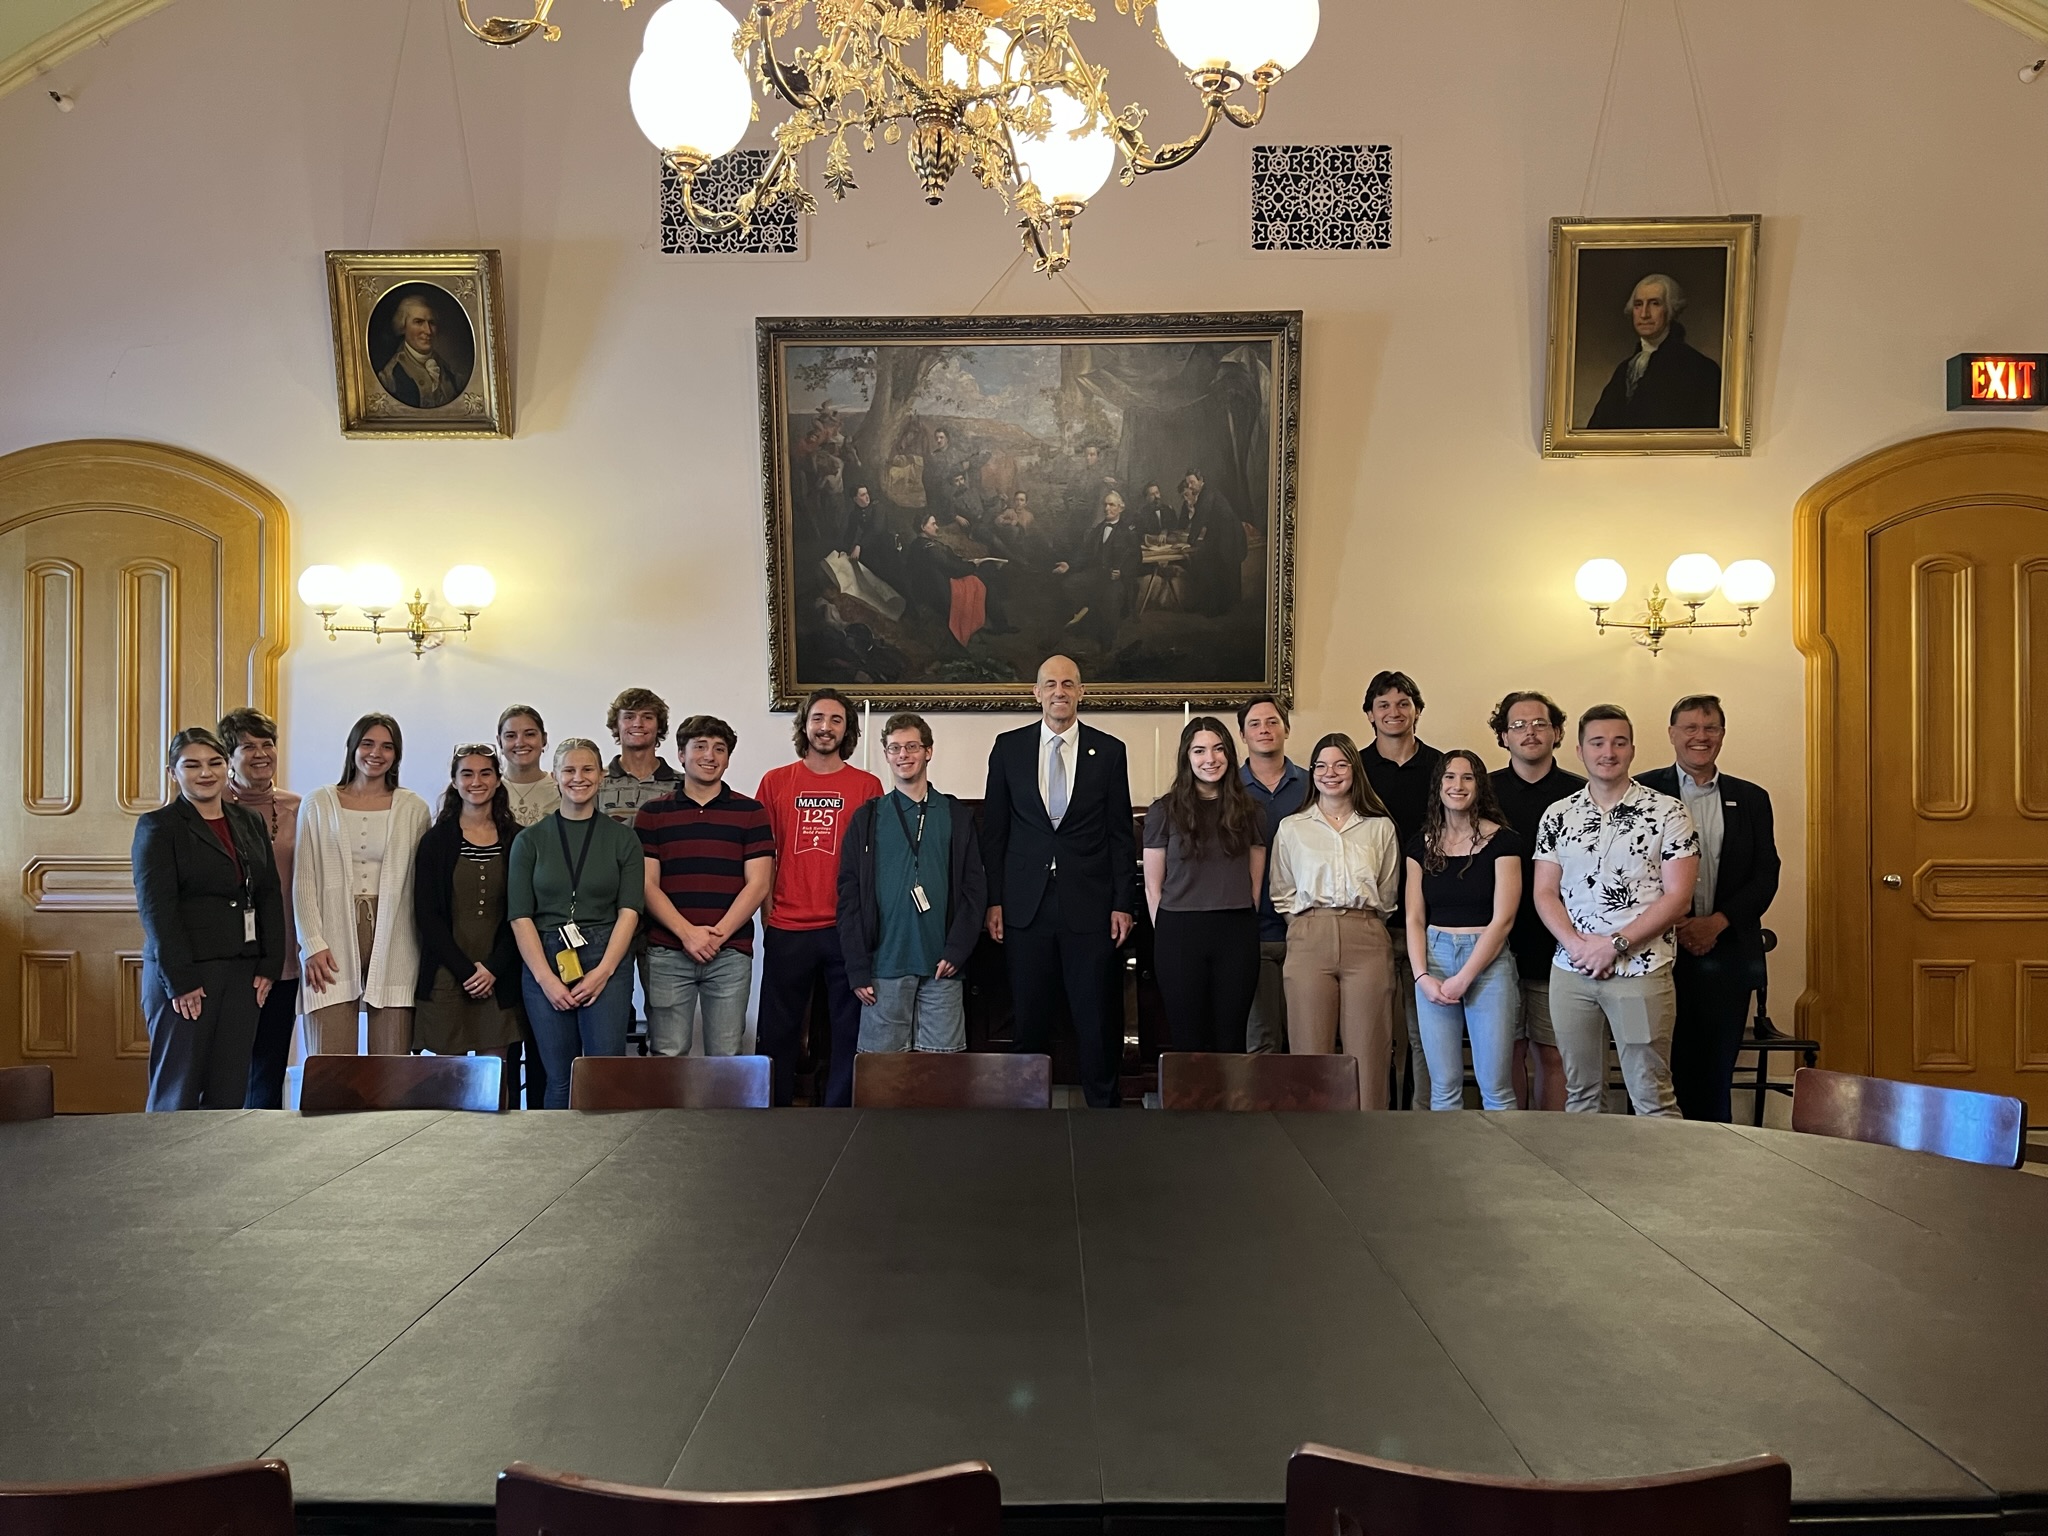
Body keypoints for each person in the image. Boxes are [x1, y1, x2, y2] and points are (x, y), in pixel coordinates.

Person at [982, 654, 1137, 1107]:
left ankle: (1102, 1115)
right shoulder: (1008, 747)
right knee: (1028, 1017)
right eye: (1050, 684)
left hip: (1089, 906)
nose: (1059, 692)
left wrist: (1122, 902)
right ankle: (1026, 1116)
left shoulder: (1108, 751)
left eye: (1068, 684)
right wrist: (994, 901)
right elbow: (995, 833)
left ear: (1081, 693)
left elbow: (1119, 836)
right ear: (1036, 693)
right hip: (1025, 907)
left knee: (1095, 1019)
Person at [1533, 705, 1700, 1117]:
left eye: (1619, 742)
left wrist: (1615, 944)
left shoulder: (1669, 812)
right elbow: (1544, 893)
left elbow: (1678, 896)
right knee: (1580, 1094)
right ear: (1579, 750)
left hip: (1639, 974)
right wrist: (1576, 945)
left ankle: (1658, 1183)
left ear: (1632, 749)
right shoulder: (1558, 815)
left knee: (1651, 1094)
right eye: (1598, 742)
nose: (1608, 752)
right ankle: (1586, 1181)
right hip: (1572, 975)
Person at [1636, 695, 1781, 1122]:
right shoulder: (1643, 792)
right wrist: (1677, 922)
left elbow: (1765, 874)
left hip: (1728, 951)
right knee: (1657, 1067)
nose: (1701, 737)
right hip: (1659, 951)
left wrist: (1715, 924)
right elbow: (1628, 870)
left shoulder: (1751, 798)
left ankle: (1717, 1160)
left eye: (1711, 728)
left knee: (1716, 1070)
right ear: (1672, 734)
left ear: (1722, 734)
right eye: (1690, 728)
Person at [133, 728, 285, 1111]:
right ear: (173, 773)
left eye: (215, 762)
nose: (205, 773)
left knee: (230, 1088)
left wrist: (269, 964)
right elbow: (157, 910)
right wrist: (181, 981)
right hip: (186, 978)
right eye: (192, 765)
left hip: (242, 973)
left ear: (227, 766)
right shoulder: (158, 827)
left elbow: (267, 892)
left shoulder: (248, 822)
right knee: (177, 1089)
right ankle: (166, 1169)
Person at [754, 689, 883, 1106]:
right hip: (788, 925)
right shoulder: (775, 782)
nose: (826, 727)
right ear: (805, 724)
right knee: (778, 1030)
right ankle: (774, 1111)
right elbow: (761, 855)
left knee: (849, 1030)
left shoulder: (867, 785)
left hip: (843, 928)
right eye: (818, 718)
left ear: (848, 730)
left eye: (836, 720)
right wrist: (767, 910)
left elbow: (874, 862)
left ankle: (838, 1113)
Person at [838, 713, 987, 1055]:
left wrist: (957, 951)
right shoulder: (868, 818)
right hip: (883, 967)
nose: (903, 754)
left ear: (928, 752)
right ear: (886, 755)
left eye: (912, 746)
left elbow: (974, 890)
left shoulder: (955, 814)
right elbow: (848, 897)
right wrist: (857, 967)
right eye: (894, 748)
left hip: (942, 967)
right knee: (883, 1077)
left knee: (942, 1072)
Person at [509, 739, 644, 1108]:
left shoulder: (623, 838)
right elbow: (520, 917)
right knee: (559, 1078)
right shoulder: (529, 840)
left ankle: (607, 1163)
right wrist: (546, 980)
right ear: (555, 777)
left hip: (607, 955)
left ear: (601, 776)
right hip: (545, 958)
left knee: (603, 1073)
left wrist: (603, 972)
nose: (578, 778)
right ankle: (561, 1163)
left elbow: (629, 911)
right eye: (569, 770)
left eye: (587, 770)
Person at [1268, 734, 1401, 1107]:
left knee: (1369, 1052)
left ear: (1354, 771)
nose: (1331, 773)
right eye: (1321, 766)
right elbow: (1282, 890)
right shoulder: (1293, 827)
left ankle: (1370, 1142)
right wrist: (1305, 924)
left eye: (1341, 764)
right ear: (1312, 773)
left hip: (1367, 936)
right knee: (1310, 1053)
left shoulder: (1379, 827)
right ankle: (1312, 1145)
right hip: (1310, 935)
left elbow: (1388, 893)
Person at [636, 716, 775, 1065]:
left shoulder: (751, 812)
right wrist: (687, 935)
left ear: (728, 758)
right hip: (667, 951)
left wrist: (716, 935)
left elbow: (758, 883)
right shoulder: (653, 814)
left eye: (719, 749)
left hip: (730, 954)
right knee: (667, 1054)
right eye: (699, 747)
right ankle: (666, 1123)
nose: (709, 755)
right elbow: (646, 884)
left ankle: (725, 1124)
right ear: (681, 755)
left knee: (727, 1057)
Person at [295, 713, 430, 1057]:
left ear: (397, 755)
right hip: (332, 937)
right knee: (330, 1063)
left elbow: (421, 884)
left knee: (392, 1065)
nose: (376, 753)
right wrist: (311, 943)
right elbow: (304, 879)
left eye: (387, 746)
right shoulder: (318, 803)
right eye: (367, 743)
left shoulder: (414, 809)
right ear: (352, 747)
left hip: (396, 940)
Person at [1404, 750, 1522, 1111]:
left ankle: (1503, 1168)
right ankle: (1446, 1168)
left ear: (1480, 785)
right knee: (1443, 1087)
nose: (1458, 785)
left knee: (1496, 1087)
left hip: (1487, 963)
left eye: (1467, 777)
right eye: (1450, 777)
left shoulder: (1505, 842)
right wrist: (1422, 977)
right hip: (1434, 958)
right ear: (1438, 786)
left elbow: (1503, 919)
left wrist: (1465, 976)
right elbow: (1413, 918)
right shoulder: (1419, 844)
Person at [1143, 718, 1266, 1053]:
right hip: (1179, 932)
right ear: (1187, 757)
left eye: (1218, 748)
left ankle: (1229, 1107)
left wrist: (1239, 917)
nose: (1210, 758)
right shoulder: (1163, 811)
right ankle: (1188, 1108)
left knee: (1231, 1040)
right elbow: (1153, 887)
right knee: (1187, 1042)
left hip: (1235, 931)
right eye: (1199, 750)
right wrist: (1168, 929)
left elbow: (1255, 881)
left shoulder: (1251, 811)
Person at [1488, 690, 1583, 1111]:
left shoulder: (1581, 795)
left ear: (1558, 732)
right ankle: (1512, 1148)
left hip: (1560, 947)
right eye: (1518, 725)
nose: (1529, 732)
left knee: (1553, 1053)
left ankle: (1552, 1149)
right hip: (1495, 945)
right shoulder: (1482, 792)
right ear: (1503, 736)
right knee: (1505, 1052)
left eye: (1539, 724)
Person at [412, 745, 528, 1088]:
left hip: (500, 975)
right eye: (467, 773)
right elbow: (426, 914)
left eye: (485, 773)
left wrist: (492, 968)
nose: (476, 781)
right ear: (454, 782)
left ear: (497, 780)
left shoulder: (518, 840)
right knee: (450, 1081)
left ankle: (499, 1144)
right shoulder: (435, 842)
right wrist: (466, 971)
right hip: (448, 975)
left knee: (496, 1079)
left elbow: (521, 912)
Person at [1359, 669, 1443, 1110]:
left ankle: (1421, 1112)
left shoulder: (1441, 767)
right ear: (1370, 714)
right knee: (1373, 1028)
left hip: (1429, 914)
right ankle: (1376, 1114)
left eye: (1403, 703)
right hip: (1371, 915)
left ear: (1417, 711)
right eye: (1384, 704)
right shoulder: (1354, 768)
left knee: (1422, 1027)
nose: (1394, 712)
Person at [218, 707, 301, 1109]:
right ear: (228, 756)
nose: (260, 753)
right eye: (247, 746)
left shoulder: (299, 807)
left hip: (282, 952)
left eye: (267, 743)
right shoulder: (208, 804)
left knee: (269, 1063)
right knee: (226, 1063)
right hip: (227, 957)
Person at [1238, 696, 1308, 1053]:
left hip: (1306, 929)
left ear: (1287, 729)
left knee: (1307, 1038)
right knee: (1261, 1038)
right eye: (1254, 724)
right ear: (1242, 735)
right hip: (1253, 929)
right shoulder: (1228, 788)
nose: (1264, 730)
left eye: (1272, 722)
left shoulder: (1314, 786)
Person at [1585, 273, 1723, 431]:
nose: (1644, 314)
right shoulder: (1624, 370)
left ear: (1671, 310)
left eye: (1654, 304)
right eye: (1638, 305)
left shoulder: (1701, 369)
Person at [1054, 489, 1141, 653]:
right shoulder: (1098, 529)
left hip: (1115, 579)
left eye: (1112, 505)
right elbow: (1084, 553)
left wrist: (1122, 572)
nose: (1107, 508)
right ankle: (1072, 626)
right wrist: (1070, 565)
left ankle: (1107, 643)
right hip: (1096, 574)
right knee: (1069, 585)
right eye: (1105, 505)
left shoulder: (1129, 533)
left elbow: (1136, 560)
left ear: (1121, 508)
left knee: (1111, 598)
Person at [375, 290, 468, 408]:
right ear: (403, 326)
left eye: (432, 323)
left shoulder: (450, 372)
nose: (428, 331)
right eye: (418, 322)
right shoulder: (390, 377)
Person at [599, 687, 678, 825]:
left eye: (647, 717)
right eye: (629, 717)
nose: (638, 724)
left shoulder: (682, 785)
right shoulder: (596, 782)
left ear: (659, 726)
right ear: (616, 725)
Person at [1181, 470, 1246, 616]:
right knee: (1211, 566)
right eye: (1188, 483)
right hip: (1220, 535)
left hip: (1229, 536)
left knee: (1218, 568)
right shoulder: (1204, 494)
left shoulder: (1208, 493)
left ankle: (1218, 609)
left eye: (1192, 482)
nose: (1190, 486)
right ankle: (1210, 606)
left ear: (1201, 480)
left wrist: (1190, 541)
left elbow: (1201, 517)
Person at [497, 705, 561, 828]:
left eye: (529, 734)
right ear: (499, 741)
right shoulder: (488, 790)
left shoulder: (561, 789)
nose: (520, 743)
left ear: (544, 739)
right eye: (511, 736)